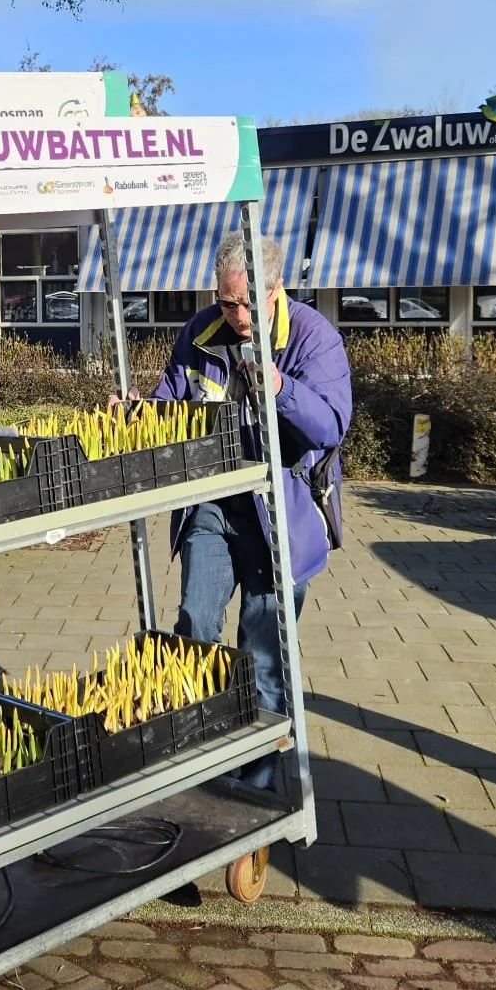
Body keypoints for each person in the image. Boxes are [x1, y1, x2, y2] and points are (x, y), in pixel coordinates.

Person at [152, 230, 351, 790]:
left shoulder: (314, 338)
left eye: (245, 302)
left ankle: (256, 785)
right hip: (214, 502)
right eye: (225, 300)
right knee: (193, 623)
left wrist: (281, 385)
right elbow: (172, 404)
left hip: (279, 515)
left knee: (264, 653)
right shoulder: (200, 331)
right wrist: (135, 413)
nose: (236, 314)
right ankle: (199, 749)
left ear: (275, 290)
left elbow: (332, 424)